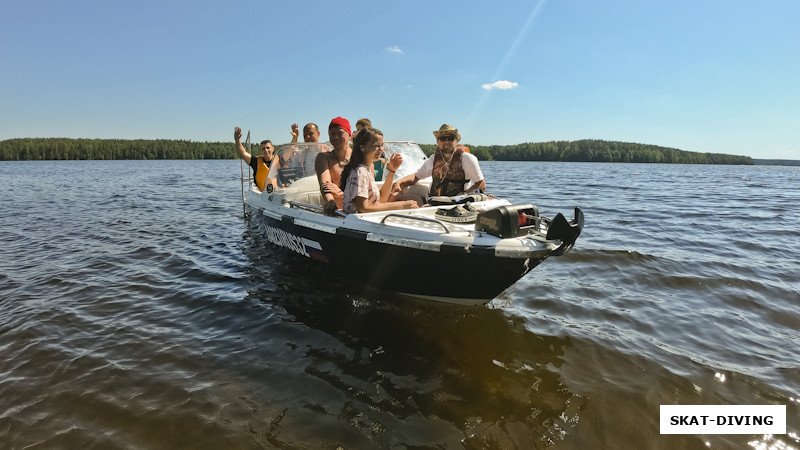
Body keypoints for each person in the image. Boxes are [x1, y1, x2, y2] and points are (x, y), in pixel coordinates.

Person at [392, 124, 485, 201]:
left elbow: (481, 185)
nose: (446, 141)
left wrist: (464, 194)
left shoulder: (467, 158)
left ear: (456, 141)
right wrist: (399, 182)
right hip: (432, 200)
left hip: (455, 203)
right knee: (394, 196)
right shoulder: (433, 159)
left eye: (450, 138)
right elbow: (416, 176)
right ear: (438, 141)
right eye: (443, 138)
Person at [341, 127, 419, 214]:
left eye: (382, 146)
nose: (381, 150)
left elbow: (382, 199)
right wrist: (401, 206)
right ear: (362, 147)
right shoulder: (360, 172)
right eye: (376, 146)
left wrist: (392, 171)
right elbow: (363, 207)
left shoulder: (366, 170)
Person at [316, 117, 352, 215]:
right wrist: (331, 203)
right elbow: (325, 184)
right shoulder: (323, 158)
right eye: (332, 134)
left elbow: (367, 192)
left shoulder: (361, 158)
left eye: (340, 133)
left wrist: (340, 194)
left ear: (349, 135)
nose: (336, 137)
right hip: (335, 214)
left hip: (357, 215)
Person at [234, 126, 275, 191]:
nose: (266, 150)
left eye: (268, 148)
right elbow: (243, 153)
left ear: (273, 148)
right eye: (263, 149)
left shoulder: (279, 160)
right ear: (261, 151)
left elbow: (290, 152)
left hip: (280, 193)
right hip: (263, 195)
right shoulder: (255, 162)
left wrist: (295, 137)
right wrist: (237, 140)